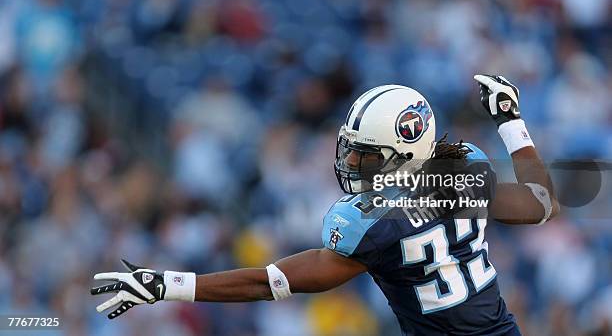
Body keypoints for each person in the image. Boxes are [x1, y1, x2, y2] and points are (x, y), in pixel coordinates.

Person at [91, 75, 559, 335]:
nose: (353, 162)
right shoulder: (466, 170)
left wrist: (168, 285)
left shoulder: (376, 222)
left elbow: (271, 282)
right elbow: (541, 204)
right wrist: (511, 120)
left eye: (367, 154)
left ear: (405, 151)